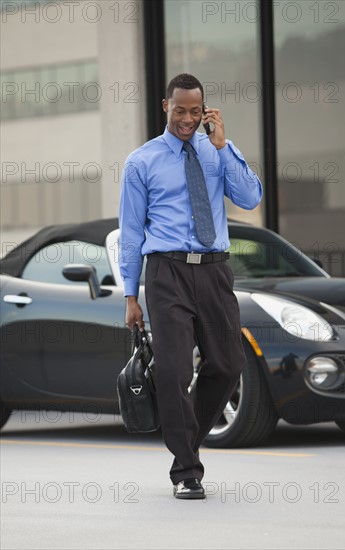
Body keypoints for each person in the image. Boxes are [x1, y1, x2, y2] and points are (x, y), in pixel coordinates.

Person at [119, 73, 262, 499]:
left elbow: (251, 198)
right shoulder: (141, 162)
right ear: (166, 106)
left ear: (205, 111)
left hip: (215, 271)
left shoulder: (217, 152)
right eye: (179, 110)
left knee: (228, 363)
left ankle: (186, 439)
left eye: (194, 111)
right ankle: (186, 471)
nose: (187, 119)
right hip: (167, 273)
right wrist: (130, 294)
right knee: (176, 371)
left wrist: (225, 146)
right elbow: (130, 232)